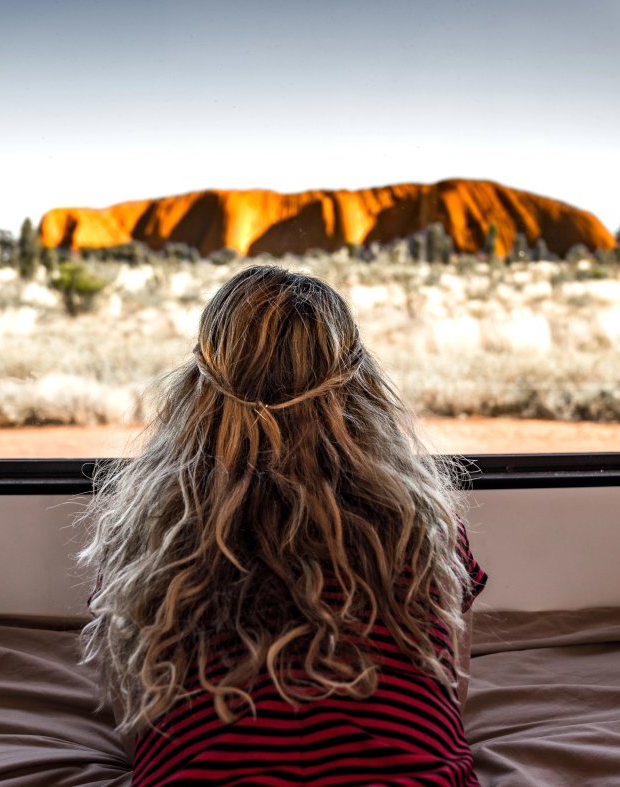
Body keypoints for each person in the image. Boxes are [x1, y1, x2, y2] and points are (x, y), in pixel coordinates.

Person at [81, 265, 487, 785]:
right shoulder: (424, 522)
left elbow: (135, 726)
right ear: (362, 387)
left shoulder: (145, 530)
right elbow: (453, 696)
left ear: (195, 388)